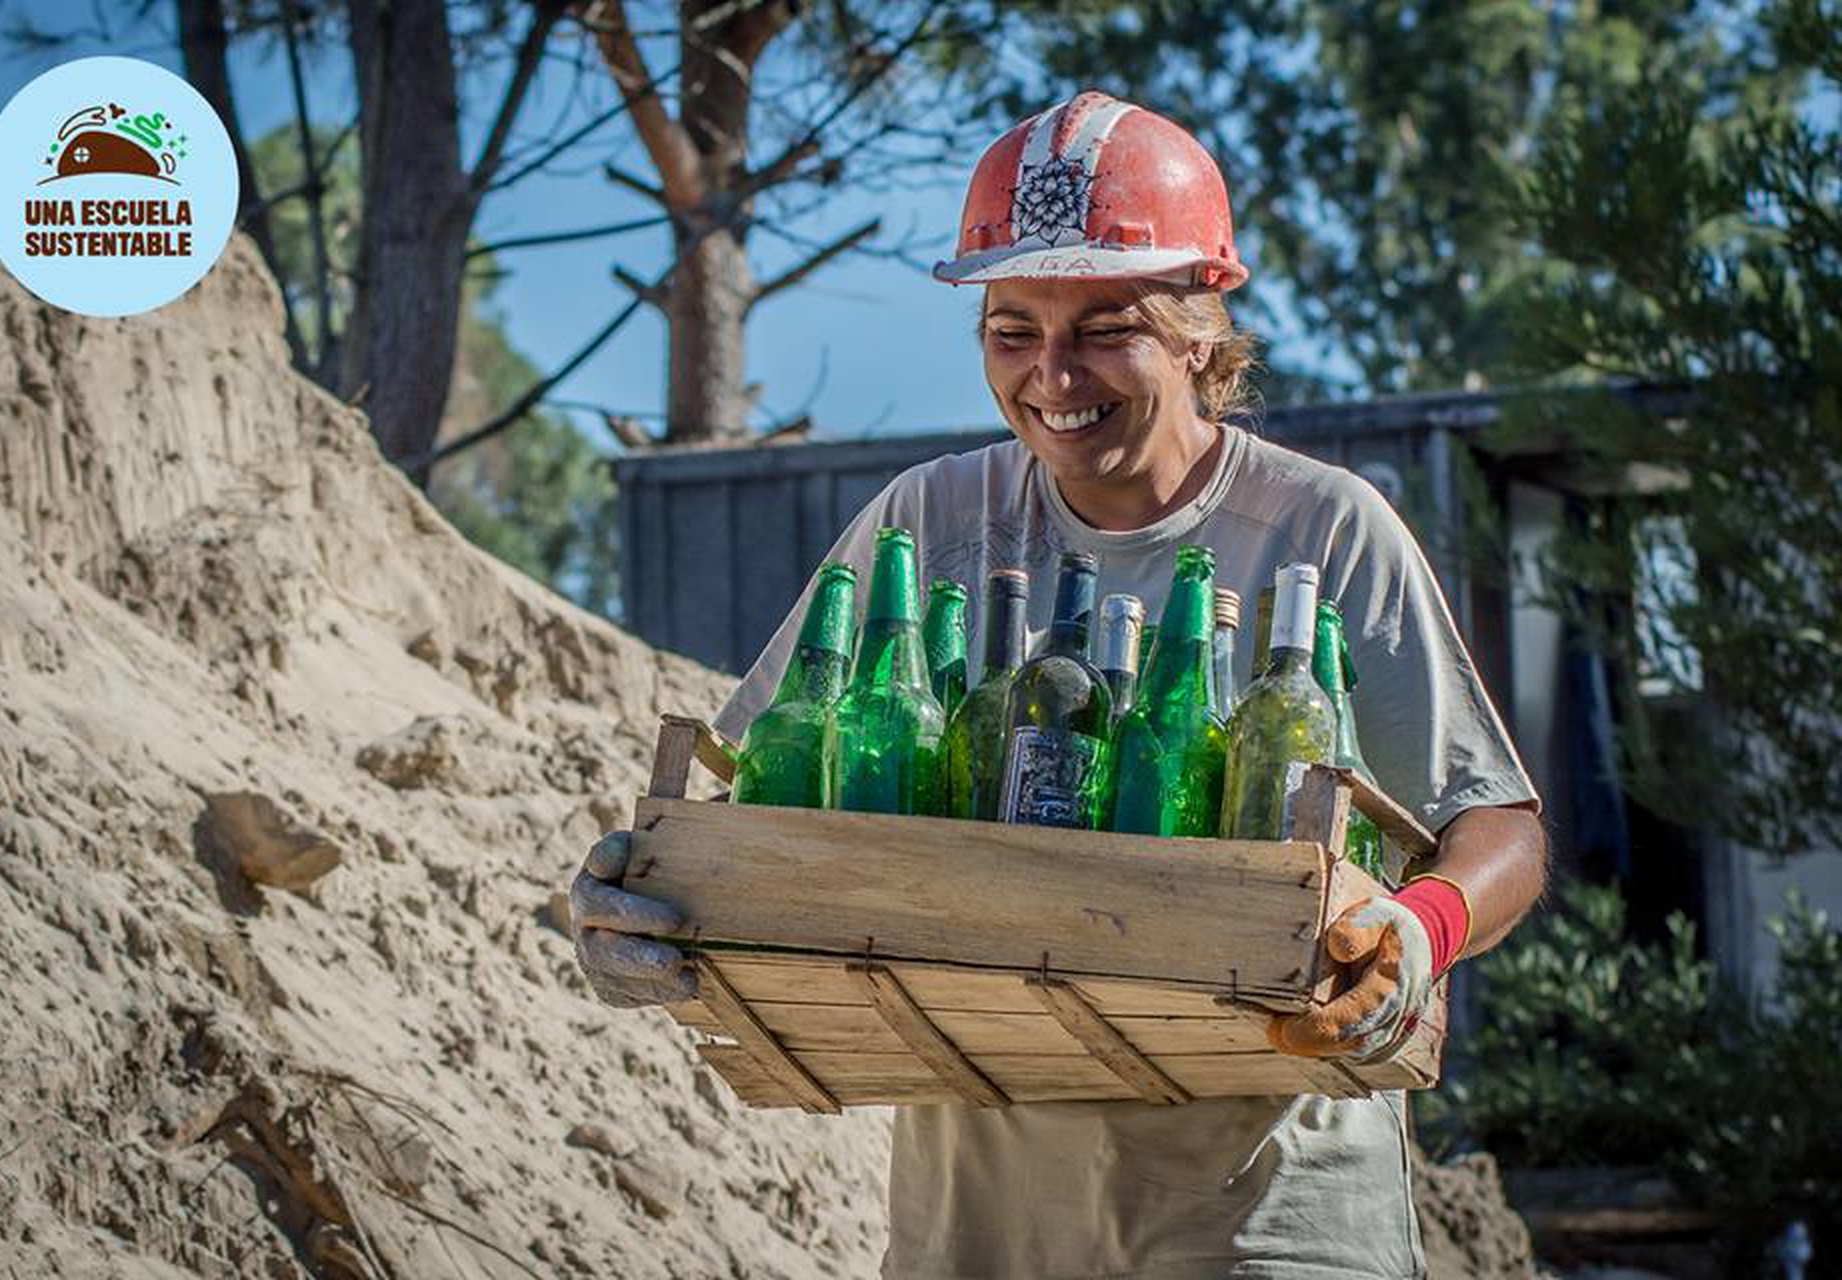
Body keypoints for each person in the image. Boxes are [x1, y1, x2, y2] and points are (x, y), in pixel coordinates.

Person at [568, 89, 1547, 1279]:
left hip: (1266, 1221)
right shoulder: (928, 523)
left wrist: (1415, 929)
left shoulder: (1318, 530)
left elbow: (1498, 825)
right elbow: (774, 795)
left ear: (1200, 325)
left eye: (1103, 324)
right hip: (982, 1221)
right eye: (1012, 327)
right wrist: (651, 898)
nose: (1052, 374)